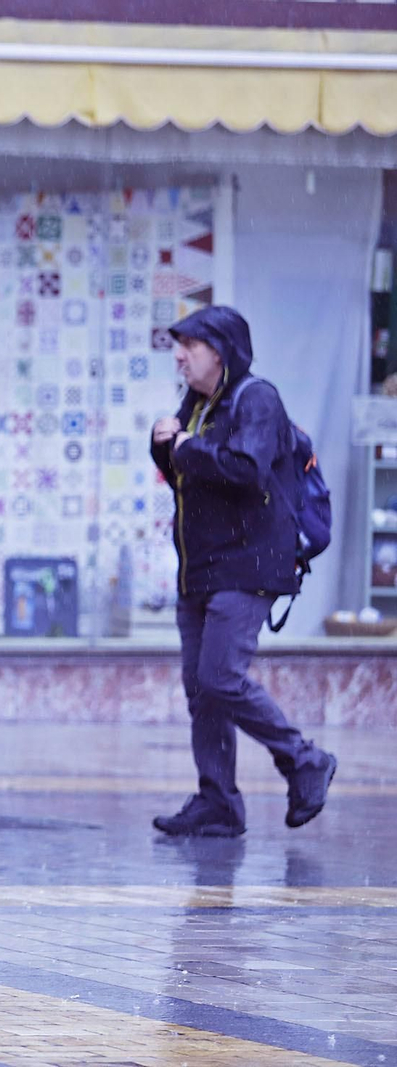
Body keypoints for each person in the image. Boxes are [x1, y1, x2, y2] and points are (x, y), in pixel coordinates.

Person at [150, 306, 337, 837]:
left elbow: (244, 468)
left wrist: (186, 446)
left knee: (220, 677)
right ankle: (218, 802)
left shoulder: (257, 398)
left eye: (190, 345)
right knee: (201, 688)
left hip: (249, 564)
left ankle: (303, 759)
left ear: (221, 351)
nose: (179, 356)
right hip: (202, 568)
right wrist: (164, 445)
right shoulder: (198, 405)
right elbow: (191, 479)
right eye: (178, 345)